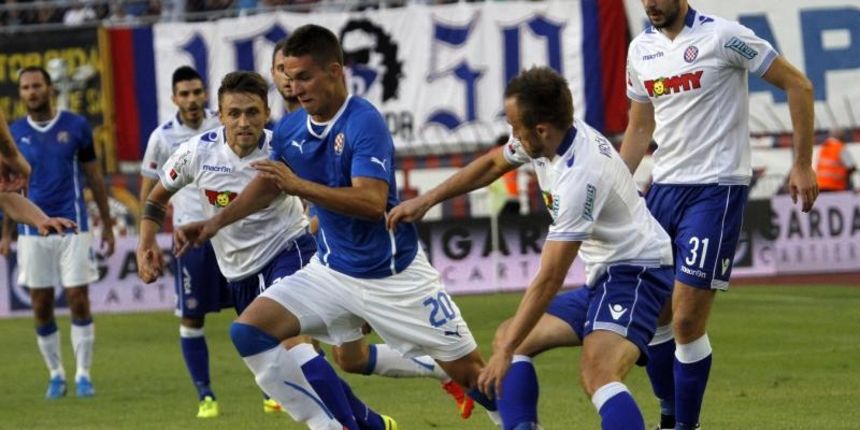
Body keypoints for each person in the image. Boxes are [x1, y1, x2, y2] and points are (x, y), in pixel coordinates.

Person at [177, 24, 498, 428]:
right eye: (289, 78)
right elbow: (269, 185)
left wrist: (299, 186)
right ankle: (328, 425)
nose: (295, 88)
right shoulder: (292, 128)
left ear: (335, 71)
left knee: (476, 378)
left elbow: (371, 203)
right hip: (330, 273)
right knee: (250, 332)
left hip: (393, 277)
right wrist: (214, 223)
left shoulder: (364, 122)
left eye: (304, 77)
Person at [388, 66, 674, 430]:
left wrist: (506, 352)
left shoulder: (579, 177)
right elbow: (492, 164)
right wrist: (427, 200)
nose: (512, 135)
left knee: (598, 374)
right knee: (511, 336)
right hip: (606, 274)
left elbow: (551, 276)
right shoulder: (549, 139)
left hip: (639, 272)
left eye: (514, 126)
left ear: (541, 129)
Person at [139, 70, 393, 430]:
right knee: (293, 360)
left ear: (267, 112)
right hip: (239, 273)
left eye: (252, 113)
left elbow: (330, 197)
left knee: (295, 345)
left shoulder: (285, 150)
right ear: (220, 115)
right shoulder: (196, 152)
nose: (244, 123)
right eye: (234, 113)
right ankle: (371, 422)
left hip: (289, 251)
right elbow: (156, 199)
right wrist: (146, 243)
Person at [621, 2, 819, 429]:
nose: (650, 3)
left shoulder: (724, 36)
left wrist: (802, 163)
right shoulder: (640, 50)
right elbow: (640, 127)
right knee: (653, 316)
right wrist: (616, 188)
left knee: (686, 319)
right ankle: (670, 415)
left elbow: (798, 85)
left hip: (715, 189)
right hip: (663, 189)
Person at [271, 35, 474, 419]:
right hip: (331, 255)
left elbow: (359, 195)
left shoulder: (353, 120)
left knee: (288, 334)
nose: (290, 81)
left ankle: (348, 421)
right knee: (350, 358)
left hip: (368, 259)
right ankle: (434, 375)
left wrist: (311, 207)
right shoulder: (283, 130)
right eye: (282, 71)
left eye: (298, 73)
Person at [8, 66, 115, 399]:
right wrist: (6, 233)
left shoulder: (77, 126)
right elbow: (7, 188)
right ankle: (56, 374)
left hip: (74, 226)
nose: (32, 92)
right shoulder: (13, 132)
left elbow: (94, 177)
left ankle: (83, 374)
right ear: (20, 93)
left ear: (50, 88)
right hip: (31, 231)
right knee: (40, 304)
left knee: (78, 299)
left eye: (37, 85)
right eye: (25, 87)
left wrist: (107, 224)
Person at [138, 66, 231, 418]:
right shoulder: (162, 138)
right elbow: (149, 193)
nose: (192, 100)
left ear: (205, 93)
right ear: (174, 98)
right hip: (189, 239)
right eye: (184, 94)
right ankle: (205, 395)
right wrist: (147, 240)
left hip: (231, 231)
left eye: (196, 92)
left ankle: (273, 391)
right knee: (192, 317)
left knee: (256, 310)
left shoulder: (224, 123)